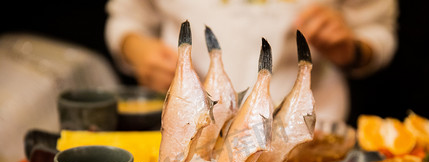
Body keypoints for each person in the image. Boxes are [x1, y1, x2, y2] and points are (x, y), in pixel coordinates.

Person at [105, 0, 398, 122]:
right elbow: (127, 17)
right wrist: (139, 51)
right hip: (187, 125)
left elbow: (378, 32)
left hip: (306, 136)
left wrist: (352, 49)